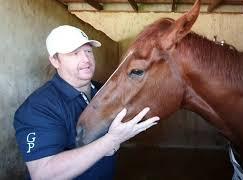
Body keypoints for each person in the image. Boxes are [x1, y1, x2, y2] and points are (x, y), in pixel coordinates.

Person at [13, 25, 160, 180]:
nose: (86, 59)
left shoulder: (104, 90)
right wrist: (111, 141)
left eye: (88, 51)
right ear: (55, 61)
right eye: (74, 53)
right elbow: (43, 174)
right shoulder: (38, 108)